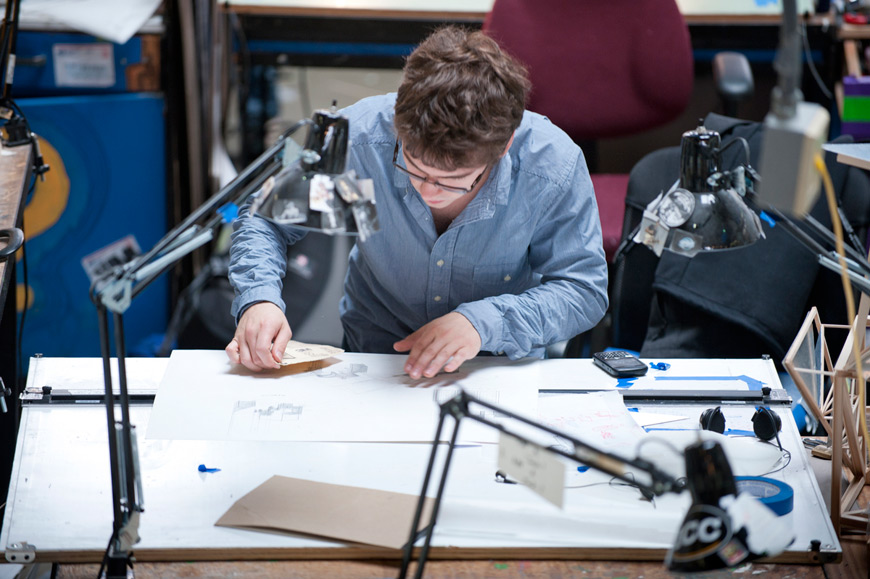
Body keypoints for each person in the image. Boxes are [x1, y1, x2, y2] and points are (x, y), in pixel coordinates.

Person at [226, 26, 608, 378]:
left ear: (503, 147)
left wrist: (485, 322)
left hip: (494, 364)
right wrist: (259, 300)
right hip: (378, 354)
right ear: (398, 122)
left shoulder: (549, 167)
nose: (428, 192)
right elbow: (264, 220)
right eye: (413, 166)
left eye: (453, 181)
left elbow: (583, 289)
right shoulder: (360, 143)